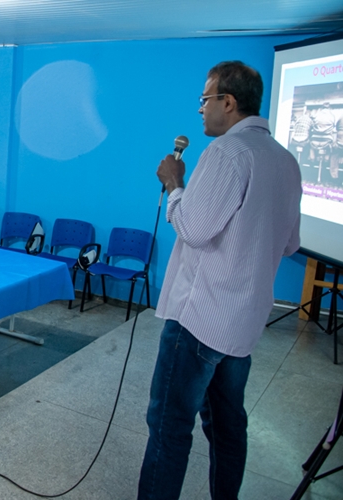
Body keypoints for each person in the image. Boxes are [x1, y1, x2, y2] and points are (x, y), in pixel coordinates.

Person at [137, 61, 301, 500]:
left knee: (169, 427)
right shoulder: (286, 161)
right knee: (228, 427)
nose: (200, 111)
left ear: (227, 102)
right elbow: (289, 244)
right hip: (243, 324)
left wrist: (175, 185)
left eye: (204, 100)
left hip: (199, 319)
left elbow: (194, 228)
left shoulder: (226, 153)